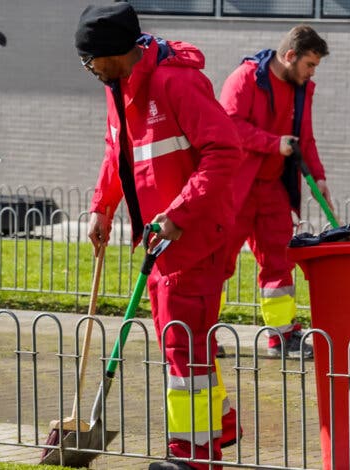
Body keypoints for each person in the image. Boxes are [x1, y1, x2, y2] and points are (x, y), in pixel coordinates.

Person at [75, 4, 242, 469]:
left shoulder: (176, 82)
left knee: (181, 345)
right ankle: (220, 424)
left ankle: (192, 456)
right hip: (161, 242)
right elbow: (118, 150)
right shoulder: (119, 86)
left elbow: (225, 151)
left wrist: (179, 214)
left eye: (91, 58)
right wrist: (102, 207)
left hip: (193, 239)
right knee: (188, 343)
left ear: (114, 52)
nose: (88, 67)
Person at [219, 25, 332, 359]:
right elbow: (230, 127)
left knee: (279, 262)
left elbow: (304, 138)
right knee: (219, 262)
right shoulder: (244, 79)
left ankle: (282, 336)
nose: (312, 73)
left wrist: (319, 177)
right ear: (290, 56)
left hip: (272, 189)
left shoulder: (302, 89)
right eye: (310, 65)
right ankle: (201, 335)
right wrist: (273, 144)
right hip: (235, 187)